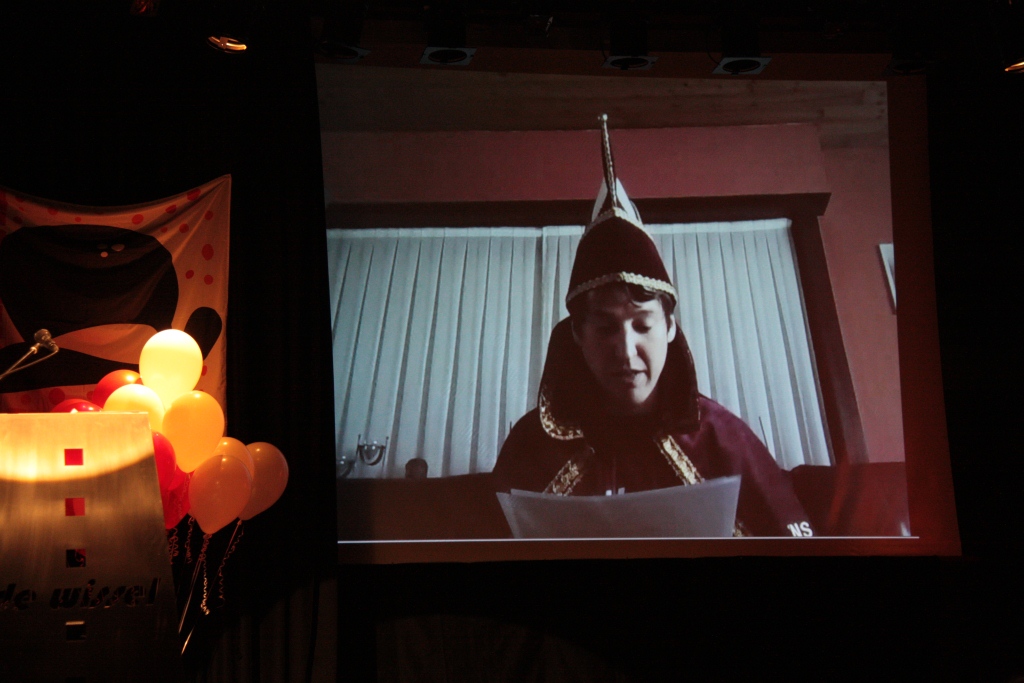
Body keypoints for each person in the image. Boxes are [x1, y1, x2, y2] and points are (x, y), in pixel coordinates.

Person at [491, 115, 814, 537]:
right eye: (605, 329)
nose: (626, 351)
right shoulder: (530, 444)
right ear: (577, 335)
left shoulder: (722, 438)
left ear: (670, 329)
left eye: (642, 326)